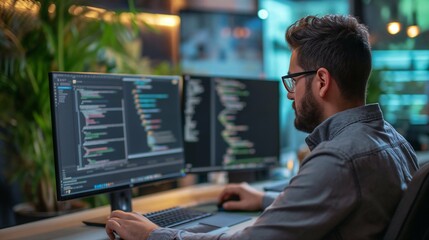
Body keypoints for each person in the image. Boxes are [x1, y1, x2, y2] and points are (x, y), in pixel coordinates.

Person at [105, 14, 419, 240]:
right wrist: (265, 198)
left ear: (322, 81)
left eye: (293, 80)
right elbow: (340, 198)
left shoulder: (338, 159)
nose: (289, 93)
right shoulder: (393, 142)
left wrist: (153, 234)